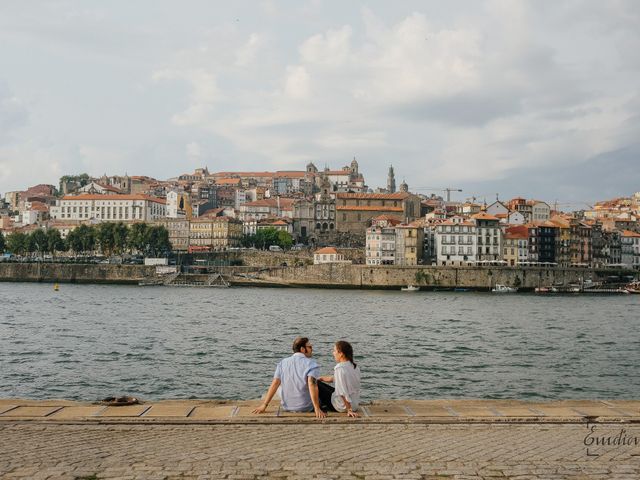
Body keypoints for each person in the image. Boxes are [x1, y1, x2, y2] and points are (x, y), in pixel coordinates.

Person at [252, 337, 326, 419]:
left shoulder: (282, 363)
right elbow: (312, 385)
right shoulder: (311, 364)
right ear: (302, 349)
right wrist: (317, 408)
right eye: (310, 347)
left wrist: (264, 405)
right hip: (306, 407)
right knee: (318, 386)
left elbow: (275, 384)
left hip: (287, 407)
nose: (312, 349)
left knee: (279, 387)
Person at [318, 340, 361, 417]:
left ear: (341, 354)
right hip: (354, 404)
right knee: (321, 383)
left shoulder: (340, 368)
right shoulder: (354, 366)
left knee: (315, 383)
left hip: (341, 406)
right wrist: (321, 378)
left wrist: (349, 410)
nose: (333, 353)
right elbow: (337, 379)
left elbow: (343, 392)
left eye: (334, 351)